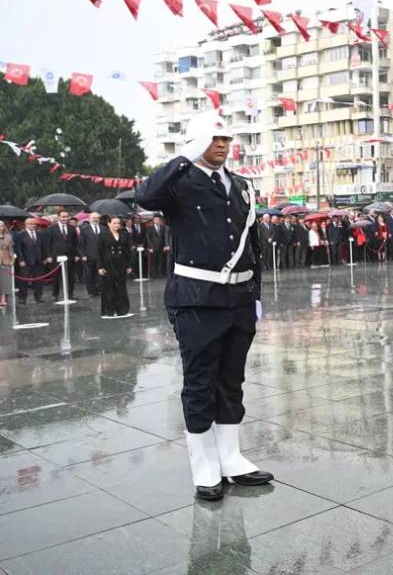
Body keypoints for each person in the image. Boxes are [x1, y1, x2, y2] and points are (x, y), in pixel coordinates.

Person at [136, 110, 272, 502]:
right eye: (213, 138)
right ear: (197, 142)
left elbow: (253, 248)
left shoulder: (243, 186)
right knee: (200, 384)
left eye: (226, 139)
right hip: (197, 301)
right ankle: (204, 465)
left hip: (239, 300)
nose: (222, 145)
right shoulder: (180, 184)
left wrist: (256, 295)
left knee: (232, 381)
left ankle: (231, 457)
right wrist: (183, 157)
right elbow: (145, 196)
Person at [98, 215, 133, 317]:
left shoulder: (124, 234)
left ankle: (122, 310)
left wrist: (129, 265)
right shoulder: (103, 235)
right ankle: (108, 311)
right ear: (109, 223)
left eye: (118, 223)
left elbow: (128, 251)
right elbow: (99, 251)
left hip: (121, 264)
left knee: (121, 287)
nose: (117, 225)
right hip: (108, 264)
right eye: (114, 223)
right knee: (108, 287)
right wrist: (100, 267)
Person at [14, 218, 50, 304]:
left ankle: (38, 297)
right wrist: (21, 260)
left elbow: (44, 247)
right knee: (23, 281)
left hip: (39, 261)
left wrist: (45, 258)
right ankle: (23, 299)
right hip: (26, 262)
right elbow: (18, 249)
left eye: (34, 224)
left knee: (39, 281)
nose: (33, 225)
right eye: (30, 224)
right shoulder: (20, 234)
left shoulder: (40, 234)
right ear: (26, 224)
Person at [48, 209, 80, 300]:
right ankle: (55, 295)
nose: (65, 218)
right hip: (56, 255)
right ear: (58, 217)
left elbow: (76, 242)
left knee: (70, 276)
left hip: (70, 255)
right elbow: (48, 243)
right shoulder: (51, 229)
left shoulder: (72, 228)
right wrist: (49, 256)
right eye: (63, 217)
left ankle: (70, 294)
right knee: (56, 277)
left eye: (67, 216)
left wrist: (77, 254)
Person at [79, 212, 105, 296]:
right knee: (90, 274)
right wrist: (83, 255)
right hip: (89, 256)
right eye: (94, 218)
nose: (96, 219)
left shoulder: (104, 228)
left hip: (101, 256)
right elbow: (81, 243)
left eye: (97, 218)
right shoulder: (84, 229)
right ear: (89, 219)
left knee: (101, 274)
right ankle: (91, 291)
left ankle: (100, 290)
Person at [0, 221, 13, 308]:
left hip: (6, 260)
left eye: (1, 226)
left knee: (5, 281)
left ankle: (3, 299)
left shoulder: (8, 237)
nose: (1, 227)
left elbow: (11, 249)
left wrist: (12, 260)